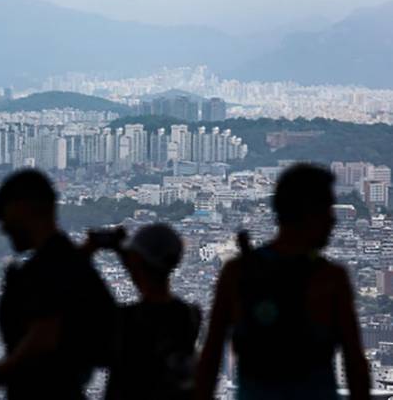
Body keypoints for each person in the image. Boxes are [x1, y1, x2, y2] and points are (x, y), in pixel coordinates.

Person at [195, 164, 370, 400]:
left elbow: (210, 358)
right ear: (308, 213)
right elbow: (355, 365)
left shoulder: (237, 273)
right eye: (327, 209)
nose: (332, 221)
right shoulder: (330, 279)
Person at [0, 169, 115, 399]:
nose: (3, 227)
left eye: (5, 216)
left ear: (23, 208)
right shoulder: (67, 264)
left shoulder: (47, 268)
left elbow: (45, 336)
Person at [86, 224, 200, 400]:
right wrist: (127, 254)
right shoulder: (189, 316)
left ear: (136, 262)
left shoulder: (125, 321)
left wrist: (89, 249)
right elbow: (147, 274)